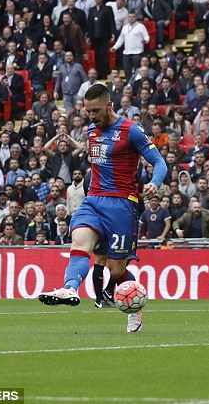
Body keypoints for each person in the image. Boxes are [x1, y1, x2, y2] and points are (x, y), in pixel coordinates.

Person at [38, 84, 168, 334]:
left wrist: (154, 182)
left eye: (96, 111)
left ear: (109, 105)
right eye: (88, 112)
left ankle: (134, 308)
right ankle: (70, 288)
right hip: (94, 200)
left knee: (116, 270)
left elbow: (159, 162)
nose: (92, 116)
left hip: (122, 205)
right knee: (79, 241)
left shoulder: (132, 131)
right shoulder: (91, 130)